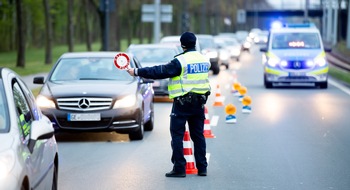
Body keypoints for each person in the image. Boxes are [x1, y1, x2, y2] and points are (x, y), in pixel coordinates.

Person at [126, 32, 211, 178]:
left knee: (177, 135)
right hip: (199, 103)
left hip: (182, 104)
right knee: (198, 136)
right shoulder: (205, 60)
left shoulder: (180, 61)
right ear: (195, 43)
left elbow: (160, 71)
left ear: (182, 45)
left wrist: (136, 71)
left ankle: (179, 169)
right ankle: (202, 168)